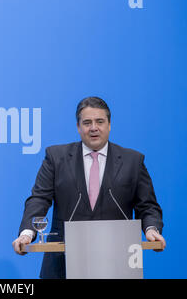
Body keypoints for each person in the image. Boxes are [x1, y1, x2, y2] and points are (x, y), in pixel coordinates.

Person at [12, 96, 166, 279]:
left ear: (109, 125)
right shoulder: (56, 157)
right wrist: (27, 233)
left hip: (117, 264)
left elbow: (147, 205)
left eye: (100, 121)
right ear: (78, 127)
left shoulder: (133, 161)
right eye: (87, 122)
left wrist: (151, 230)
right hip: (64, 264)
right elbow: (39, 198)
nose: (94, 128)